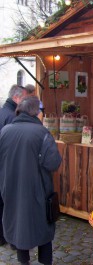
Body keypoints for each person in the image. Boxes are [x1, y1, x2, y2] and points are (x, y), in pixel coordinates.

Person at [0, 96, 62, 265]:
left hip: (11, 189)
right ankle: (45, 261)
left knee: (18, 223)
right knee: (43, 226)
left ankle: (23, 260)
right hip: (38, 191)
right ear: (36, 113)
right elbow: (53, 163)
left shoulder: (4, 131)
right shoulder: (42, 133)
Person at [0, 84, 30, 246]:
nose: (25, 101)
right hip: (8, 167)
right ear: (16, 98)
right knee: (9, 204)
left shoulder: (2, 112)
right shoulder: (12, 117)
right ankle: (10, 237)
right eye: (24, 98)